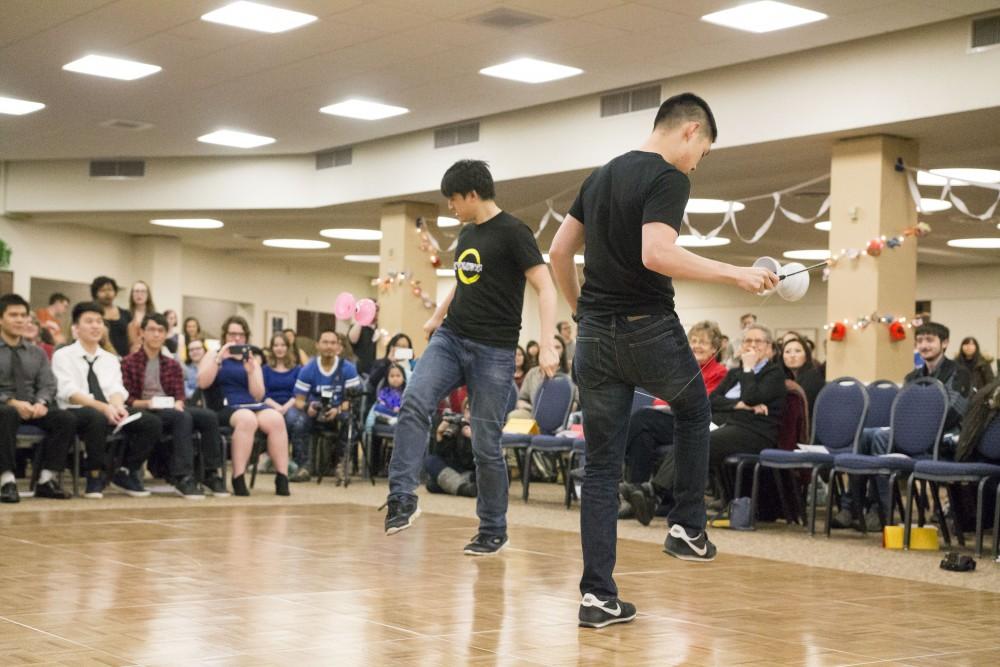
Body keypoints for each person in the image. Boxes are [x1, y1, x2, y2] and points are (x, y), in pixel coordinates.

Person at [548, 92, 778, 628]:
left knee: (602, 468)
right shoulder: (670, 177)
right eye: (705, 151)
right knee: (696, 412)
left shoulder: (599, 177)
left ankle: (597, 597)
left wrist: (582, 310)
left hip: (596, 339)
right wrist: (735, 273)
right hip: (646, 326)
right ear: (690, 131)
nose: (700, 162)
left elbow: (559, 252)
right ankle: (687, 526)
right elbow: (657, 253)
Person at [382, 159, 559, 557]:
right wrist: (436, 316)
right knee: (414, 401)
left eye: (453, 199)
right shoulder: (466, 235)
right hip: (452, 338)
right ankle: (402, 497)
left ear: (473, 195)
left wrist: (547, 343)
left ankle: (493, 528)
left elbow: (545, 288)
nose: (450, 207)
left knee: (485, 445)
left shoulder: (515, 233)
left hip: (494, 351)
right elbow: (464, 282)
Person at [833, 321, 973, 530]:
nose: (924, 345)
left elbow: (952, 413)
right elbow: (902, 413)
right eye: (919, 341)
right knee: (867, 434)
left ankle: (881, 511)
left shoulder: (959, 373)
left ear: (945, 343)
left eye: (930, 340)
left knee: (881, 438)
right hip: (911, 436)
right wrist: (910, 428)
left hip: (943, 439)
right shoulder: (912, 377)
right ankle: (852, 505)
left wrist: (917, 428)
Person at [53, 302, 162, 499]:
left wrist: (118, 406)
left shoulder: (110, 359)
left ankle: (126, 471)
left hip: (109, 408)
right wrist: (104, 408)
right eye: (89, 321)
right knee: (96, 417)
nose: (96, 326)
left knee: (150, 422)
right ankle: (94, 475)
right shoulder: (63, 355)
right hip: (77, 411)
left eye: (99, 322)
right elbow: (68, 391)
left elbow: (116, 388)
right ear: (76, 328)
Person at [121, 313, 228, 498]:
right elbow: (127, 398)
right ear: (142, 333)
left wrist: (178, 402)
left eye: (160, 331)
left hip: (170, 407)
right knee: (182, 417)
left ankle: (210, 473)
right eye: (152, 330)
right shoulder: (129, 362)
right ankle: (183, 476)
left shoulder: (172, 365)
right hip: (144, 409)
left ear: (165, 335)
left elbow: (179, 394)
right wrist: (148, 403)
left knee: (209, 416)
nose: (156, 334)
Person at [620, 321, 728, 491]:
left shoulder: (720, 372)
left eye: (703, 342)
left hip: (698, 424)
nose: (697, 346)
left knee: (642, 419)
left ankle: (608, 462)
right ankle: (636, 495)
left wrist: (675, 400)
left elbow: (703, 400)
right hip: (673, 419)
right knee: (643, 436)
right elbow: (659, 401)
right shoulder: (679, 370)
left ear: (714, 348)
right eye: (693, 341)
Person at [197, 316, 289, 497]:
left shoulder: (251, 358)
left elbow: (259, 394)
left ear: (246, 337)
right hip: (225, 406)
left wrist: (251, 371)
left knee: (276, 419)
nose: (236, 339)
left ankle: (282, 477)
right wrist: (218, 359)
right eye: (232, 334)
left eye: (240, 335)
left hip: (251, 403)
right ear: (225, 335)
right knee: (247, 419)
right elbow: (202, 383)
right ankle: (238, 477)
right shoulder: (213, 354)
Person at [0, 294, 75, 503]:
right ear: (0, 318)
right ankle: (6, 480)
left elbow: (48, 384)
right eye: (13, 315)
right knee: (6, 414)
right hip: (4, 407)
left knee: (65, 418)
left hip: (33, 407)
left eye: (23, 315)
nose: (20, 320)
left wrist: (41, 403)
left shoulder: (37, 353)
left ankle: (46, 479)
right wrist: (11, 401)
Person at [293, 330, 361, 484]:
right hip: (314, 412)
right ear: (317, 345)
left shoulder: (348, 368)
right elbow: (298, 400)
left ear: (338, 346)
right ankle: (303, 467)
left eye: (332, 343)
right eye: (325, 342)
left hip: (339, 410)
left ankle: (341, 465)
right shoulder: (308, 369)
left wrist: (337, 410)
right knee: (299, 423)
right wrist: (307, 407)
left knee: (349, 421)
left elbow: (352, 399)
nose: (329, 346)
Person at [262, 332, 308, 481]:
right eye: (276, 345)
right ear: (271, 348)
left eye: (282, 345)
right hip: (270, 405)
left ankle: (296, 463)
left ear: (288, 348)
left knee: (294, 420)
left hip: (291, 404)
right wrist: (276, 407)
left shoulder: (297, 369)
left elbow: (298, 393)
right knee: (275, 420)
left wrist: (285, 407)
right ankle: (276, 458)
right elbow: (262, 394)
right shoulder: (265, 370)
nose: (279, 348)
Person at [507, 334, 574, 420]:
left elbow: (575, 402)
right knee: (514, 415)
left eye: (557, 347)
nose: (553, 350)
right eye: (550, 346)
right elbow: (521, 399)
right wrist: (531, 408)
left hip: (562, 416)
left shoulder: (570, 373)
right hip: (533, 413)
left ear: (563, 350)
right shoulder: (532, 373)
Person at [424, 399, 476, 497]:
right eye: (467, 410)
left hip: (474, 470)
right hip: (457, 470)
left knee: (433, 485)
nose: (469, 415)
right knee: (430, 460)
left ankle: (460, 488)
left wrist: (473, 438)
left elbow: (485, 461)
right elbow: (442, 455)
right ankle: (464, 488)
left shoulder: (485, 428)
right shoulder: (457, 424)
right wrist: (439, 434)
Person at [780, 335, 825, 414]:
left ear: (806, 356)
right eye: (787, 352)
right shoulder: (786, 378)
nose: (792, 355)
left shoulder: (813, 378)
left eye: (797, 351)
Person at [90, 276, 131, 358]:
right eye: (102, 290)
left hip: (124, 359)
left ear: (115, 292)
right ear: (95, 293)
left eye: (110, 289)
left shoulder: (126, 314)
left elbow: (131, 340)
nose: (107, 293)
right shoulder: (91, 314)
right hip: (98, 357)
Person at [126, 280, 155, 354]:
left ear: (148, 295)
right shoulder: (125, 315)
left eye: (143, 291)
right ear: (132, 294)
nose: (139, 294)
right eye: (136, 291)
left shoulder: (154, 316)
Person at [348, 306, 379, 375]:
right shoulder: (359, 326)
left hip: (376, 371)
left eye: (377, 310)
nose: (375, 313)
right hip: (360, 370)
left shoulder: (379, 328)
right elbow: (352, 340)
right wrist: (362, 319)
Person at [183, 336, 206, 401]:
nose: (195, 352)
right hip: (193, 402)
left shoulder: (214, 367)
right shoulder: (185, 369)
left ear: (204, 350)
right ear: (188, 353)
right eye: (191, 350)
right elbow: (185, 391)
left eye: (198, 348)